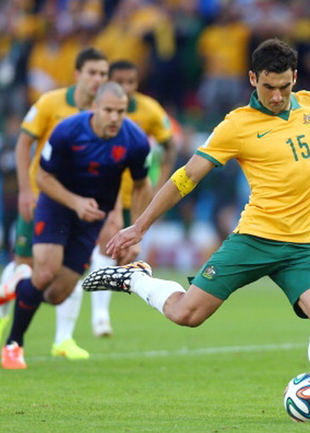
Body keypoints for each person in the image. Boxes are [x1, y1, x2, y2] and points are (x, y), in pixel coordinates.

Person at [81, 38, 310, 421]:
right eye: (268, 87)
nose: (276, 96)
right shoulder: (236, 125)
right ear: (253, 78)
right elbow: (188, 176)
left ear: (295, 79)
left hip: (304, 244)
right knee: (188, 314)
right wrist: (139, 227)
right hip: (255, 238)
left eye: (285, 86)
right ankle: (136, 280)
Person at [0, 82, 152, 369]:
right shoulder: (68, 131)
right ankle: (13, 345)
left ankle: (19, 284)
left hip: (92, 218)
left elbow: (143, 186)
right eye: (108, 110)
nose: (114, 118)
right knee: (45, 273)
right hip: (57, 205)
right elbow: (43, 178)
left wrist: (136, 232)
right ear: (94, 107)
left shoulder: (136, 141)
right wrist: (76, 202)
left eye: (120, 112)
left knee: (57, 295)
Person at [0, 47, 109, 360]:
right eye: (92, 73)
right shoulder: (51, 102)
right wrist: (24, 189)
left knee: (68, 270)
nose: (98, 79)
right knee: (26, 267)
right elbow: (24, 143)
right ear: (77, 75)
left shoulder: (107, 113)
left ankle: (63, 340)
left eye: (103, 74)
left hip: (78, 206)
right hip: (41, 198)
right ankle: (5, 320)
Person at [74, 59, 178, 339]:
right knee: (108, 243)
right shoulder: (97, 111)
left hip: (140, 193)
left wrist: (164, 178)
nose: (126, 88)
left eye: (131, 82)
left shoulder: (150, 110)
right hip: (105, 191)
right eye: (120, 82)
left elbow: (171, 143)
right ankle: (100, 317)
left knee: (125, 253)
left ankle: (90, 279)